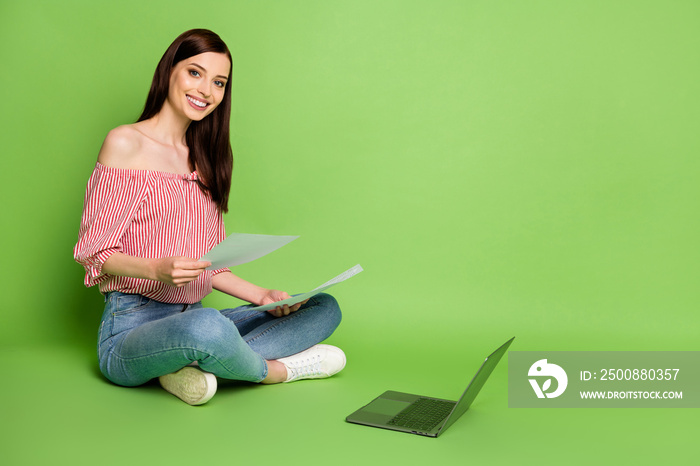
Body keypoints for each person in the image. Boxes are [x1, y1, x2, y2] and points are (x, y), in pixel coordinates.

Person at [74, 29, 345, 406]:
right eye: (195, 73)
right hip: (132, 328)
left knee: (323, 307)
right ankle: (276, 372)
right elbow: (94, 254)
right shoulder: (125, 144)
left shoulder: (207, 160)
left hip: (199, 320)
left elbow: (209, 264)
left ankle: (186, 366)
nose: (206, 90)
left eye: (219, 82)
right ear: (170, 71)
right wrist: (157, 269)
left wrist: (262, 295)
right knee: (208, 327)